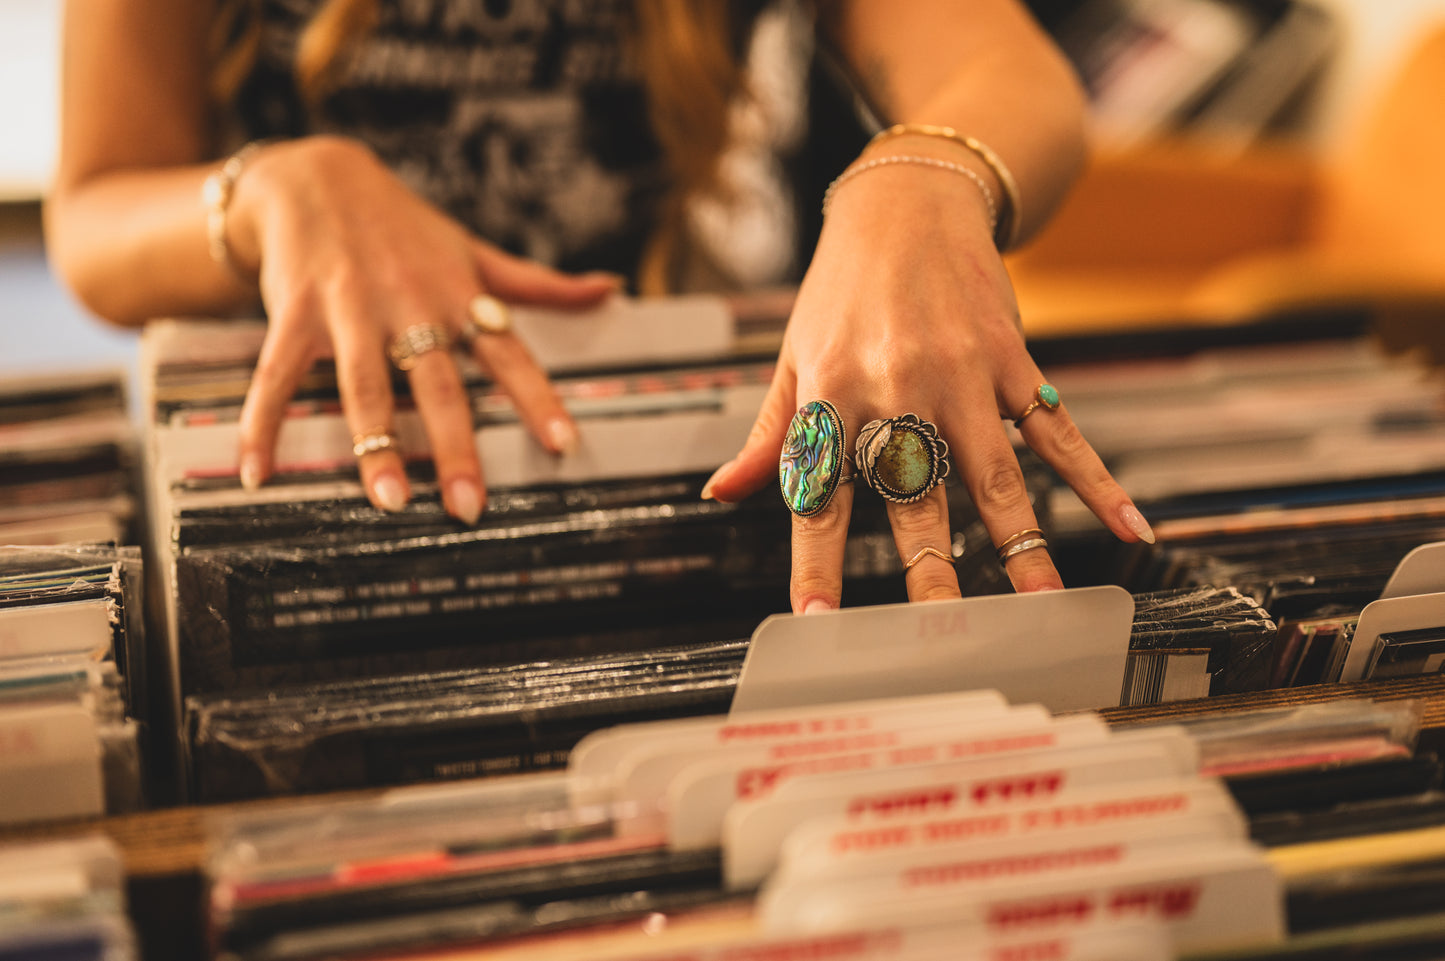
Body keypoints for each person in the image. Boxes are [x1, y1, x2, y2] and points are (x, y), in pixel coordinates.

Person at [45, 0, 1155, 615]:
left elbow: (1011, 74)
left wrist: (921, 177)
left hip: (642, 463)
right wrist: (267, 194)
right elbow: (92, 223)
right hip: (305, 466)